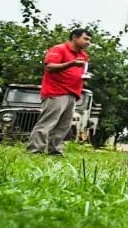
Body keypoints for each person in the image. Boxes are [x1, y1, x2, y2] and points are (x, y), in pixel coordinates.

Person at [26, 28, 92, 156]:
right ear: (75, 37)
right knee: (47, 122)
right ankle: (34, 150)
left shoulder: (83, 55)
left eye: (89, 40)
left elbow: (77, 72)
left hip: (73, 93)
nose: (88, 42)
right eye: (85, 39)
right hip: (56, 92)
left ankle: (54, 151)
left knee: (63, 126)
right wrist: (71, 63)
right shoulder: (59, 49)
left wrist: (83, 77)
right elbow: (50, 67)